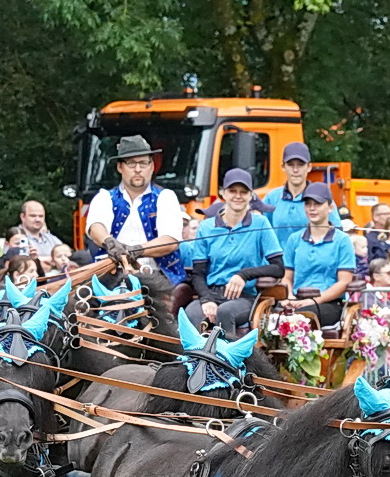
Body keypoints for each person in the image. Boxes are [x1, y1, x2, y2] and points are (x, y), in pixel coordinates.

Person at [184, 168, 285, 336]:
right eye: (232, 191)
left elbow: (278, 268)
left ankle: (229, 361)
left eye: (243, 192)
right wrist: (207, 299)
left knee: (225, 312)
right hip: (212, 292)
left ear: (251, 195)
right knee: (191, 314)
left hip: (244, 297)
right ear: (223, 193)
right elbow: (198, 273)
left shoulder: (260, 224)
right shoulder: (207, 227)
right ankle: (191, 361)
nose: (238, 196)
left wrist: (243, 275)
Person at [85, 133, 185, 281]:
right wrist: (110, 243)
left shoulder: (166, 197)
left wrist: (137, 250)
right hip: (112, 273)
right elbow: (96, 228)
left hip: (158, 276)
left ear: (152, 167)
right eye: (131, 163)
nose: (138, 169)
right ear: (120, 167)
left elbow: (170, 241)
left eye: (143, 163)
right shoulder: (104, 197)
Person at [277, 182, 355, 328]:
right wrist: (290, 297)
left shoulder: (342, 240)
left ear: (330, 207)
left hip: (328, 303)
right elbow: (287, 278)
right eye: (308, 204)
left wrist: (313, 301)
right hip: (297, 300)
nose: (312, 208)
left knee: (300, 317)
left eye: (318, 204)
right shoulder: (294, 239)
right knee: (271, 318)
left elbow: (343, 282)